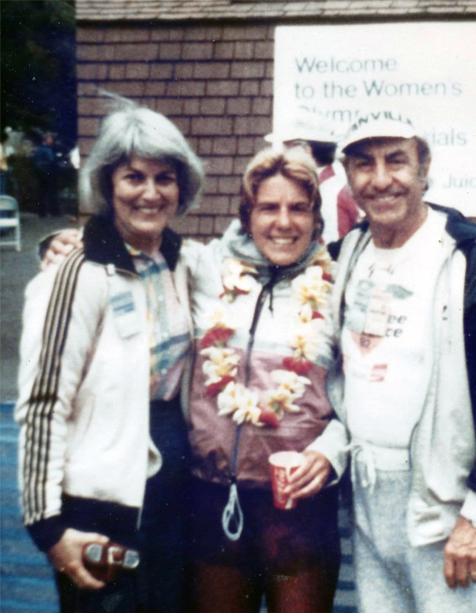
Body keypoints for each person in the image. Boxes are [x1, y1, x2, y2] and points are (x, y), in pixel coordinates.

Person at [327, 111, 476, 613]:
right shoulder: (346, 253)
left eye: (396, 161)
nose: (381, 180)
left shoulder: (472, 258)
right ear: (347, 176)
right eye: (364, 164)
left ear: (424, 168)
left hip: (448, 506)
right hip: (366, 497)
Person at [16, 99, 204, 613]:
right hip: (99, 506)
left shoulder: (179, 261)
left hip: (170, 492)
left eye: (165, 178)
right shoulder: (77, 272)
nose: (150, 192)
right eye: (133, 177)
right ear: (106, 184)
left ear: (181, 188)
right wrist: (47, 527)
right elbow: (42, 400)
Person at [185, 146, 347, 613]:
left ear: (317, 218)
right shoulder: (205, 270)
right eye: (268, 207)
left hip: (299, 511)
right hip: (211, 496)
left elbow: (365, 398)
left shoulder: (339, 286)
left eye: (299, 208)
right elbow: (141, 248)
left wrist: (329, 452)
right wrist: (66, 241)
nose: (283, 222)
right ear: (247, 214)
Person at [267, 110, 360, 243]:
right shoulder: (319, 188)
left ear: (305, 151)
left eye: (287, 148)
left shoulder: (331, 194)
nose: (283, 155)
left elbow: (335, 254)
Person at [34, 132, 59, 217]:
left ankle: (42, 212)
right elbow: (51, 160)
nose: (51, 140)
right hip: (47, 172)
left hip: (42, 172)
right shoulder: (46, 150)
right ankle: (53, 212)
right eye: (50, 139)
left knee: (43, 193)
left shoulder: (41, 149)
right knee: (51, 192)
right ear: (46, 140)